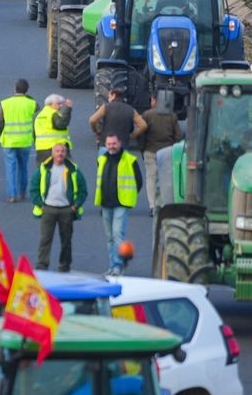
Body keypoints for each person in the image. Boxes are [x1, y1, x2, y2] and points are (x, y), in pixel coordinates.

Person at [30, 142, 87, 272]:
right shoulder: (44, 169)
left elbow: (83, 190)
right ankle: (42, 265)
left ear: (66, 153)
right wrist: (40, 204)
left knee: (66, 240)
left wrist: (75, 205)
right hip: (48, 209)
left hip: (66, 210)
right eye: (57, 151)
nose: (60, 154)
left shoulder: (74, 170)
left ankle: (64, 265)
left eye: (62, 151)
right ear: (52, 153)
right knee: (45, 239)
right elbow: (34, 188)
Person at [95, 134, 143, 276]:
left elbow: (138, 181)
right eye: (109, 144)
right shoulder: (102, 159)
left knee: (117, 235)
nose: (111, 146)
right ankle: (112, 265)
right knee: (109, 237)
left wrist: (130, 196)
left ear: (120, 143)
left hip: (121, 203)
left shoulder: (130, 160)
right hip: (105, 203)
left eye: (114, 143)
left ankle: (118, 266)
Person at [0, 79, 37, 204]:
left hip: (9, 141)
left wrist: (2, 132)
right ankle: (22, 192)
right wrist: (26, 95)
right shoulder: (31, 103)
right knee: (23, 167)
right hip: (24, 141)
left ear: (14, 89)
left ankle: (12, 195)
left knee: (10, 168)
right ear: (27, 90)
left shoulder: (5, 103)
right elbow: (38, 106)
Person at [140, 95, 182, 212]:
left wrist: (142, 148)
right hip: (167, 152)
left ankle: (152, 206)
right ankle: (165, 204)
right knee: (166, 179)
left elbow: (141, 134)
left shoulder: (147, 115)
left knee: (151, 178)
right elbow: (178, 135)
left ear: (154, 100)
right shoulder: (172, 116)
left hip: (150, 150)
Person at [88, 87, 146, 152]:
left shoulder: (106, 107)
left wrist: (96, 131)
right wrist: (132, 135)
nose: (108, 98)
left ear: (114, 95)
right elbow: (143, 125)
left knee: (104, 162)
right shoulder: (131, 110)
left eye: (109, 96)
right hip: (123, 146)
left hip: (106, 145)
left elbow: (92, 120)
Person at [34, 93, 74, 164]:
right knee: (68, 170)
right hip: (57, 149)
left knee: (44, 172)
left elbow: (34, 133)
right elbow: (61, 124)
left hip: (41, 149)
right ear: (50, 104)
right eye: (58, 104)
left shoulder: (38, 115)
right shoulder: (53, 114)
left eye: (61, 104)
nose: (61, 106)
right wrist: (68, 109)